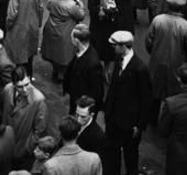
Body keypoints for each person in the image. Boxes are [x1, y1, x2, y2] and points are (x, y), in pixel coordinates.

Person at [104, 30, 152, 175]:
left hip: (130, 124)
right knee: (113, 157)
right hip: (114, 120)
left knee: (131, 158)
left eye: (115, 45)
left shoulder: (140, 68)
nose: (113, 48)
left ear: (124, 46)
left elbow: (146, 99)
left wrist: (140, 124)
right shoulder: (120, 61)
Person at [146, 0, 187, 123]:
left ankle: (152, 120)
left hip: (157, 63)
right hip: (177, 65)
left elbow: (148, 42)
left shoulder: (157, 20)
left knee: (155, 93)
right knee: (173, 96)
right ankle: (168, 121)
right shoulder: (186, 26)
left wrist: (154, 53)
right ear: (182, 8)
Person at [2, 66, 48, 170]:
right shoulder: (7, 89)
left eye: (27, 84)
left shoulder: (38, 100)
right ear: (13, 84)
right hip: (6, 142)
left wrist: (27, 147)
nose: (25, 90)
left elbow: (40, 129)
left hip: (22, 149)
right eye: (20, 86)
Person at [4, 0, 43, 76]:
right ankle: (29, 76)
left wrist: (8, 27)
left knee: (17, 57)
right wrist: (38, 23)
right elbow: (40, 8)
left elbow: (11, 15)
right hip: (32, 25)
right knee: (29, 56)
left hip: (18, 28)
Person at [41, 0, 85, 82]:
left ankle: (55, 71)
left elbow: (48, 7)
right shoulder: (72, 5)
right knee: (65, 55)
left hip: (51, 28)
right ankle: (62, 75)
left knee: (53, 53)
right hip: (65, 31)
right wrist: (80, 5)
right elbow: (81, 16)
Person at [63, 24, 104, 115]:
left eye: (71, 38)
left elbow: (96, 91)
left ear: (77, 41)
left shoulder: (93, 63)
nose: (70, 40)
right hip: (75, 97)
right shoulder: (81, 52)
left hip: (83, 106)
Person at [88, 0, 120, 64]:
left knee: (108, 50)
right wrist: (99, 10)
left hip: (110, 25)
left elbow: (120, 5)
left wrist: (114, 9)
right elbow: (90, 6)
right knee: (97, 47)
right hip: (98, 24)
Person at [75, 96, 108, 173]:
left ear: (92, 114)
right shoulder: (73, 123)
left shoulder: (98, 136)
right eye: (77, 115)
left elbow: (98, 165)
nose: (78, 119)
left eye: (83, 117)